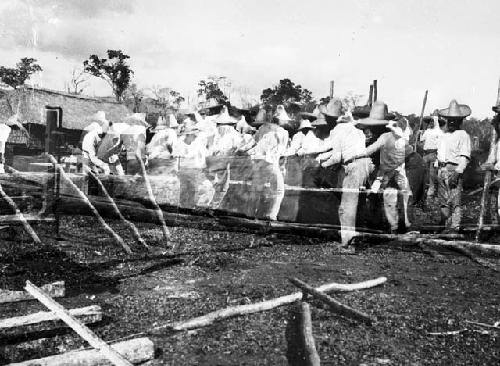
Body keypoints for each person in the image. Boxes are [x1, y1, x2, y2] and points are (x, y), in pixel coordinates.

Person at [316, 111, 374, 246]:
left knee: (346, 207)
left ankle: (347, 243)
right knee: (359, 202)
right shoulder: (355, 130)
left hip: (355, 166)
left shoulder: (337, 130)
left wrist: (322, 164)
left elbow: (337, 157)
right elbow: (338, 150)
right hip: (366, 164)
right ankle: (358, 236)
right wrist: (321, 157)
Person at [357, 117, 413, 232]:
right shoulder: (393, 137)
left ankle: (397, 225)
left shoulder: (387, 137)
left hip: (389, 172)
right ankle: (399, 225)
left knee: (387, 196)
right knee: (395, 196)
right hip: (395, 171)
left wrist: (356, 155)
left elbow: (370, 150)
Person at [435, 100, 472, 232]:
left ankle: (454, 227)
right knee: (443, 200)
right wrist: (438, 170)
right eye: (449, 119)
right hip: (442, 170)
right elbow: (440, 155)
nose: (451, 122)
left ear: (460, 121)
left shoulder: (463, 135)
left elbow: (464, 156)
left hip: (453, 169)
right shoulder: (444, 135)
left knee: (455, 201)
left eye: (454, 120)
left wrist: (457, 172)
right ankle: (444, 224)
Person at [248, 108, 289, 220]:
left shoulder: (262, 129)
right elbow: (282, 151)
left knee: (256, 189)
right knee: (278, 190)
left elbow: (254, 144)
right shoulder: (283, 132)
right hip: (270, 162)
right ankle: (271, 215)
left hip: (257, 161)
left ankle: (250, 214)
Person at [175, 118, 212, 208]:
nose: (195, 137)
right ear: (188, 135)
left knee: (193, 189)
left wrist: (202, 167)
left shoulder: (198, 143)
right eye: (193, 135)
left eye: (195, 135)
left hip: (194, 169)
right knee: (184, 189)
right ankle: (183, 206)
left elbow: (205, 155)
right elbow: (177, 158)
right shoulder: (180, 143)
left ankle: (191, 206)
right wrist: (176, 169)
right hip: (184, 170)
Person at [480, 112, 500, 223]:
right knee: (495, 201)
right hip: (498, 176)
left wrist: (493, 166)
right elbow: (492, 158)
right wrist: (487, 164)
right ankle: (495, 226)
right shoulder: (497, 142)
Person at [420, 113, 445, 197]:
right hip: (425, 154)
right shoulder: (428, 131)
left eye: (432, 121)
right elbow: (422, 139)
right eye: (430, 121)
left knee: (432, 173)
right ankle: (423, 188)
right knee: (423, 172)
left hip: (433, 154)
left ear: (436, 122)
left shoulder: (440, 133)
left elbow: (441, 145)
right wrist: (421, 131)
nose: (431, 123)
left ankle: (431, 189)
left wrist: (438, 157)